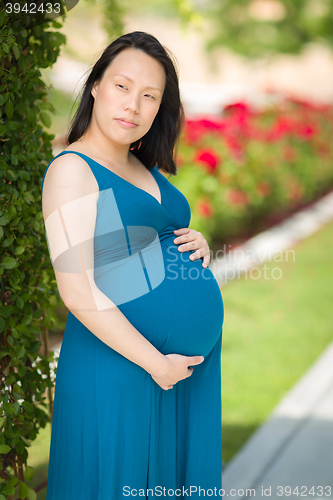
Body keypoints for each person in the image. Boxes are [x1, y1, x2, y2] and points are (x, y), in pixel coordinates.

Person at [41, 31, 224, 500]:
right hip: (125, 369)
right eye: (123, 87)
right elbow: (77, 290)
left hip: (174, 372)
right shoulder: (72, 170)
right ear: (96, 85)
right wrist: (155, 363)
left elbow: (138, 243)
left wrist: (195, 242)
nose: (134, 106)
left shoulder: (142, 164)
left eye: (150, 96)